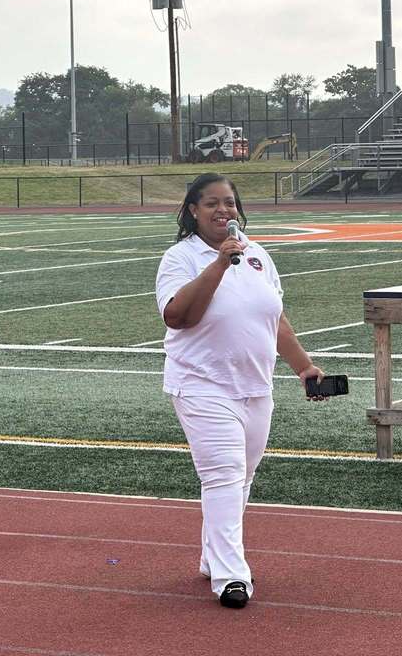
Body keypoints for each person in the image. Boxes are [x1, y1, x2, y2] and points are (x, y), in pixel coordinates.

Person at [155, 172, 327, 609]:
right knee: (224, 476)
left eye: (229, 203)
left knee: (241, 479)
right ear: (192, 211)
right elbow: (178, 317)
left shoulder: (257, 256)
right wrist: (218, 264)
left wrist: (304, 367)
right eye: (212, 203)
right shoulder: (181, 258)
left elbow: (276, 320)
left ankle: (213, 558)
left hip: (254, 385)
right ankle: (232, 577)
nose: (223, 211)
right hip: (202, 385)